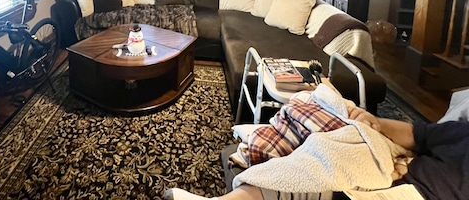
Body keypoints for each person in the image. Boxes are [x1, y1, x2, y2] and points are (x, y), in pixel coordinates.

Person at [164, 106, 469, 200]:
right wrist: (371, 120)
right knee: (324, 142)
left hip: (411, 193)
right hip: (399, 166)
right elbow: (422, 134)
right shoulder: (464, 132)